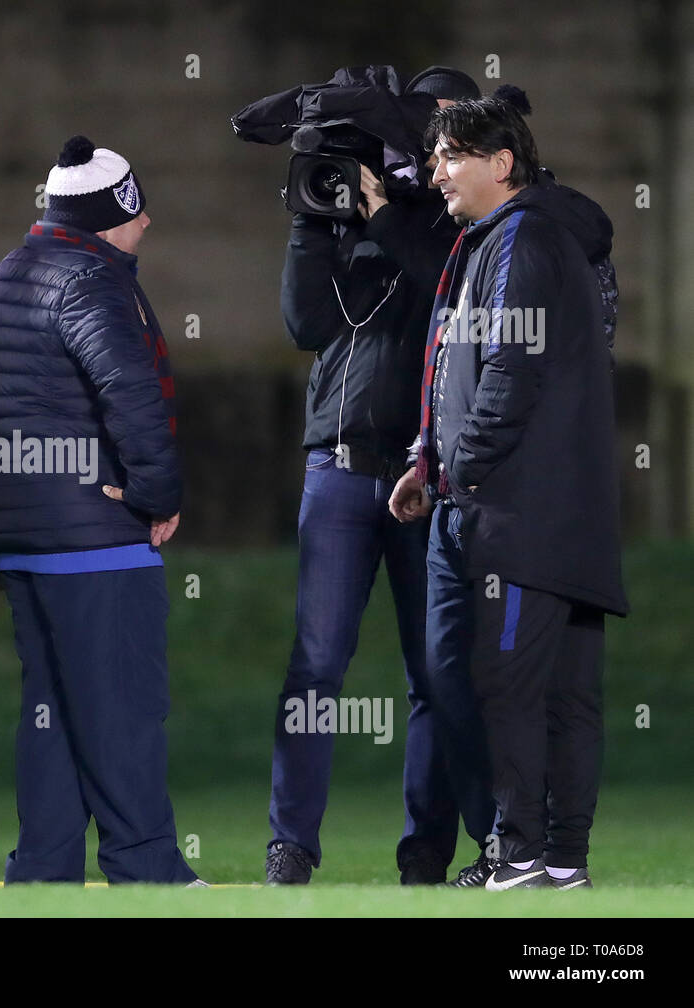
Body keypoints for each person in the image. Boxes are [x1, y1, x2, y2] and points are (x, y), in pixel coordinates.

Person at [390, 94, 627, 890]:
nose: (436, 171)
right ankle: (560, 862)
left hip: (521, 515)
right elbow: (465, 373)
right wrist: (430, 465)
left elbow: (509, 375)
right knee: (557, 694)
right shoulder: (495, 239)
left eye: (453, 155)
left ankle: (520, 855)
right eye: (434, 157)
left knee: (511, 687)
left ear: (502, 163)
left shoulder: (521, 239)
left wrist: (459, 471)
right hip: (536, 508)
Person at [0, 135, 199, 886]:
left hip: (25, 537)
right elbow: (131, 395)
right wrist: (154, 496)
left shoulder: (8, 273)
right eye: (137, 211)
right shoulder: (92, 280)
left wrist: (14, 485)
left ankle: (41, 874)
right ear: (108, 216)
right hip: (96, 536)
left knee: (51, 711)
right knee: (122, 708)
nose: (149, 223)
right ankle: (148, 869)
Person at [265, 68, 481, 886]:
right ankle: (291, 847)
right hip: (342, 468)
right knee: (316, 665)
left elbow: (441, 283)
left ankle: (426, 851)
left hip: (427, 476)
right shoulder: (345, 214)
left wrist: (390, 214)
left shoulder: (457, 226)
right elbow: (303, 324)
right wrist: (311, 220)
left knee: (432, 670)